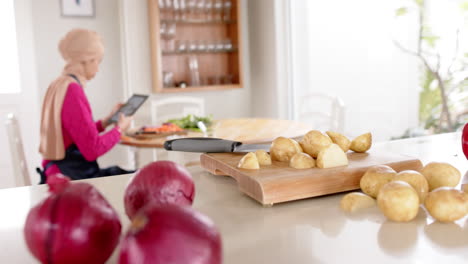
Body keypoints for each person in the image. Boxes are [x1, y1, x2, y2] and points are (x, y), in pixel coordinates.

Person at [37, 28, 133, 183]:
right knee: (142, 177)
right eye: (98, 61)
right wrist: (120, 129)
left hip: (58, 171)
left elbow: (77, 134)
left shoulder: (59, 84)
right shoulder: (72, 90)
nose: (98, 68)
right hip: (75, 178)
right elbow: (92, 150)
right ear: (87, 60)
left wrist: (107, 121)